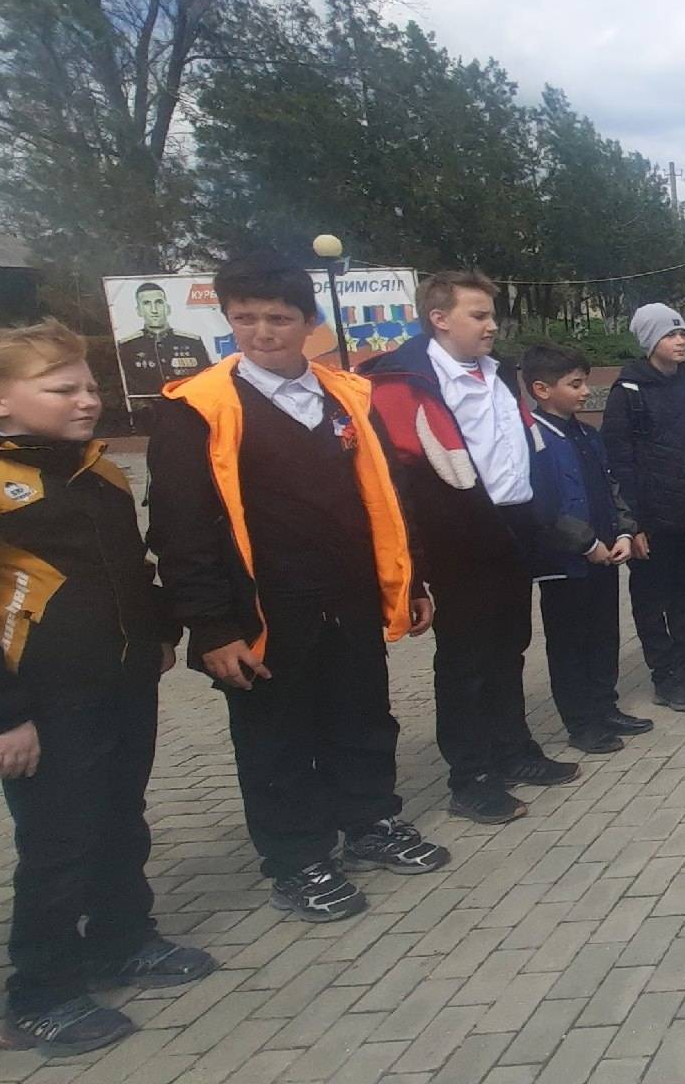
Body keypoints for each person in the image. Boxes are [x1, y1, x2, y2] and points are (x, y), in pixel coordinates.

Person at [0, 321, 215, 1056]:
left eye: (90, 386)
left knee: (119, 820)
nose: (87, 400)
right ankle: (41, 994)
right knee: (58, 844)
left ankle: (123, 940)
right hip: (37, 704)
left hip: (120, 685)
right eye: (62, 389)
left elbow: (128, 568)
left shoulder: (96, 473)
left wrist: (158, 633)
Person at [151, 256, 448, 921]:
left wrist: (413, 578)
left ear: (310, 323)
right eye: (245, 318)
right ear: (228, 319)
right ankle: (296, 859)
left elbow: (391, 495)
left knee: (363, 717)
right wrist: (213, 627)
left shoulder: (347, 397)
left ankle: (369, 822)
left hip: (348, 597)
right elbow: (181, 530)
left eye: (279, 319)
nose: (262, 332)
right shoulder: (195, 410)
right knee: (275, 738)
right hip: (263, 611)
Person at [363, 270, 578, 822]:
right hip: (457, 534)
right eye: (478, 315)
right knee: (466, 661)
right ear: (439, 318)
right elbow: (402, 478)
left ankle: (513, 751)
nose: (491, 325)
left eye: (491, 315)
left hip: (514, 526)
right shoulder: (404, 382)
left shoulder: (497, 372)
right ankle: (471, 775)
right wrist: (417, 565)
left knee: (509, 648)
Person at [522, 344, 654, 755]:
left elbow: (612, 486)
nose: (585, 392)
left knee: (603, 636)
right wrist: (586, 543)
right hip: (564, 563)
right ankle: (581, 723)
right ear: (542, 389)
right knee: (570, 644)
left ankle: (604, 707)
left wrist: (624, 533)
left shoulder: (588, 435)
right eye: (575, 384)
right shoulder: (532, 438)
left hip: (605, 555)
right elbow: (541, 506)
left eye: (585, 383)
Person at [604, 303, 685, 710]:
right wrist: (632, 525)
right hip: (653, 522)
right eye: (670, 335)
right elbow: (619, 463)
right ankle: (666, 675)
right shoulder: (628, 393)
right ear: (649, 341)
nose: (680, 341)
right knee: (652, 601)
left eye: (683, 334)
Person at [116, 281, 214, 398]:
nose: (154, 310)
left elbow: (207, 381)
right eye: (147, 303)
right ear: (139, 311)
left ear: (167, 308)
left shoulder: (192, 342)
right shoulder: (127, 346)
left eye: (159, 302)